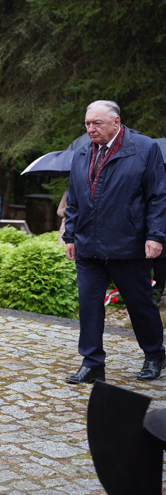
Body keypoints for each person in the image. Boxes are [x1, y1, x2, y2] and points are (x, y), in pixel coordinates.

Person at [63, 100, 166, 384]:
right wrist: (70, 235)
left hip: (128, 244)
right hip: (88, 246)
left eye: (97, 123)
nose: (91, 129)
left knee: (139, 303)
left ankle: (155, 354)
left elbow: (158, 197)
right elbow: (74, 199)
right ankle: (92, 362)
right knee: (89, 305)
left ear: (116, 122)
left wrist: (156, 236)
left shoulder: (145, 149)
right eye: (87, 124)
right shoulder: (82, 153)